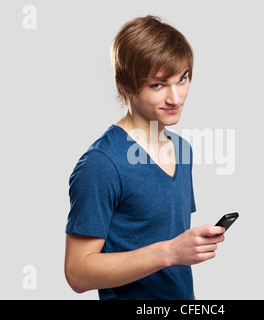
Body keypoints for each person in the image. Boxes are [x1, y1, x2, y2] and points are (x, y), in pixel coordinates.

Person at [64, 15, 225, 300]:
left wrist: (190, 246)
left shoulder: (182, 149)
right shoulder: (101, 164)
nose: (176, 98)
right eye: (158, 85)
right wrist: (170, 252)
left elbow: (161, 235)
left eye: (182, 79)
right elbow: (77, 273)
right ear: (124, 85)